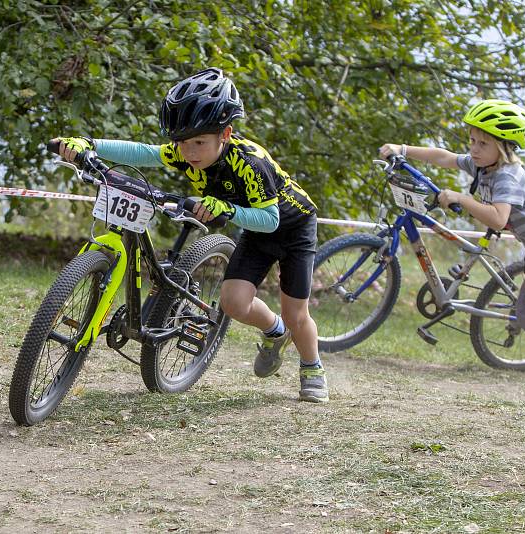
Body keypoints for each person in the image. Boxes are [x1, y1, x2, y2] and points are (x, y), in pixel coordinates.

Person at [52, 67, 328, 402]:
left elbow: (270, 220)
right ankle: (274, 331)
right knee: (232, 303)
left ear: (225, 134)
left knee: (296, 313)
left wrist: (223, 210)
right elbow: (144, 153)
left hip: (291, 227)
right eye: (183, 143)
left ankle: (312, 367)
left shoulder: (250, 163)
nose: (190, 152)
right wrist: (89, 144)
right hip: (254, 227)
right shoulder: (185, 153)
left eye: (200, 143)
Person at [379, 99, 525, 383]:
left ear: (503, 147)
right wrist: (402, 150)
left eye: (483, 144)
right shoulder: (484, 166)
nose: (474, 149)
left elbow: (497, 217)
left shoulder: (507, 177)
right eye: (472, 140)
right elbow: (444, 157)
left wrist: (462, 198)